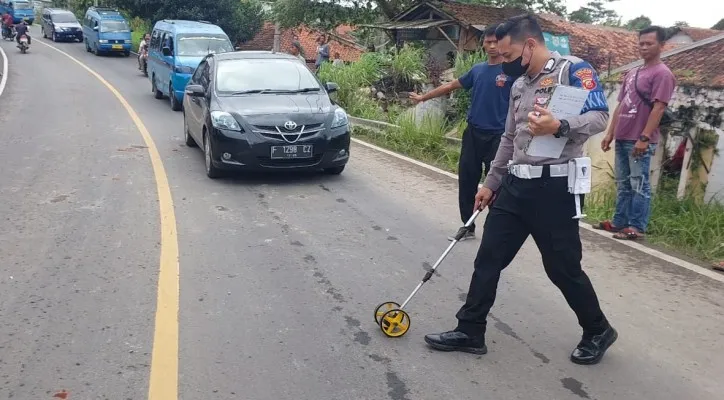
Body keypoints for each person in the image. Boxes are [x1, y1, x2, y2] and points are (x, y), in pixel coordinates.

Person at [424, 14, 617, 366]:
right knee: (488, 258)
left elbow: (600, 117)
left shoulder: (572, 70)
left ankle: (598, 328)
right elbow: (509, 139)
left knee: (562, 268)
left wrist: (560, 125)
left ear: (529, 45)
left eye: (510, 55)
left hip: (555, 188)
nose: (506, 62)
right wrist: (491, 182)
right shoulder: (518, 85)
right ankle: (470, 330)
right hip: (515, 185)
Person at [409, 25, 514, 241]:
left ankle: (496, 231)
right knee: (466, 180)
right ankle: (467, 226)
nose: (492, 46)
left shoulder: (513, 72)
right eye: (488, 41)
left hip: (499, 138)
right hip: (474, 134)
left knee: (496, 185)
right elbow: (450, 86)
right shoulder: (477, 70)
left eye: (497, 42)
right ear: (483, 43)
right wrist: (423, 98)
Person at [595, 26, 676, 241]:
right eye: (641, 43)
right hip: (623, 135)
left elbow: (659, 107)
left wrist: (644, 137)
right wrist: (610, 133)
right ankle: (619, 221)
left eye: (649, 43)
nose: (644, 47)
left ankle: (636, 226)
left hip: (639, 138)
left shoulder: (662, 74)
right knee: (622, 182)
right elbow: (621, 105)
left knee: (638, 183)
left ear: (661, 45)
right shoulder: (633, 73)